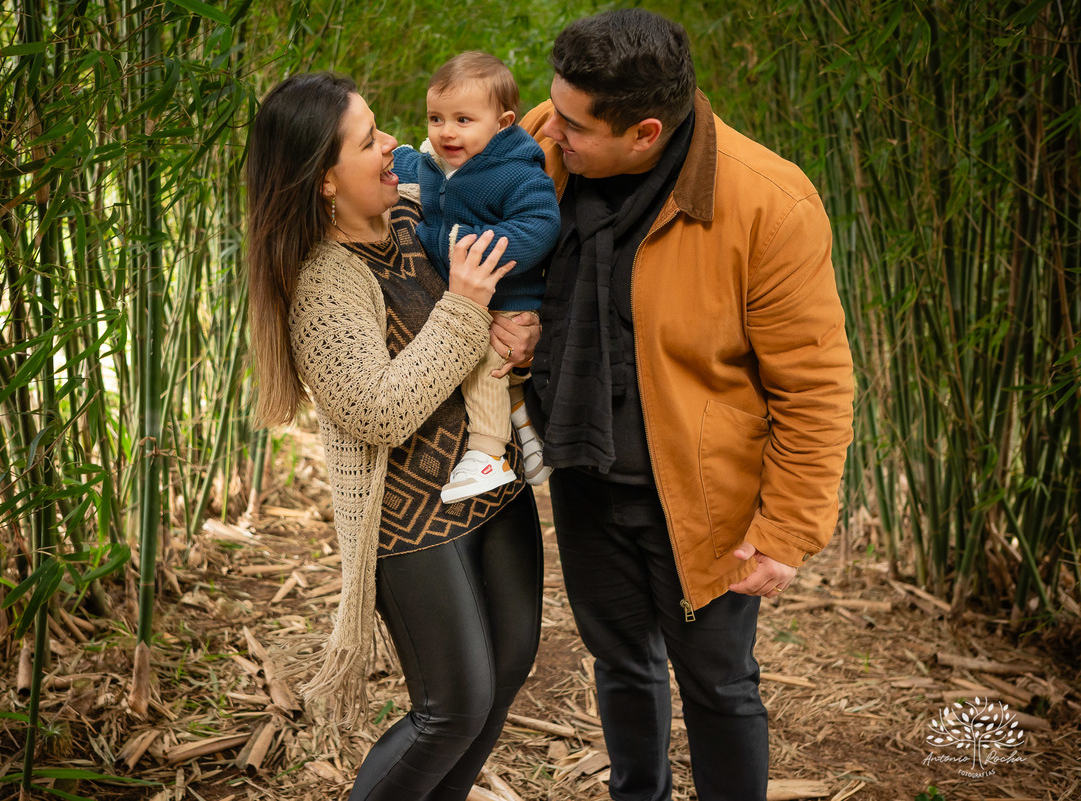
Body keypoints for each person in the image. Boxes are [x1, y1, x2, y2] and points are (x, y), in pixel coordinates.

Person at [519, 10, 855, 801]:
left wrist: (787, 529)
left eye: (573, 124)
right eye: (553, 108)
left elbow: (814, 384)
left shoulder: (768, 202)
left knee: (718, 683)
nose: (550, 130)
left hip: (701, 501)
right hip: (583, 469)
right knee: (620, 663)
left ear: (645, 133)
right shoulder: (544, 144)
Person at [245, 71, 544, 801]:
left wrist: (522, 331)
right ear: (325, 179)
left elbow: (509, 258)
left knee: (504, 673)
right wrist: (465, 306)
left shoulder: (420, 208)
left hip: (492, 488)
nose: (391, 144)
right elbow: (375, 410)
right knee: (452, 708)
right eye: (367, 140)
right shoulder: (323, 281)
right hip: (411, 526)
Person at [393, 51, 560, 503]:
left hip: (510, 298)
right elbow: (410, 166)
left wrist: (469, 246)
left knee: (484, 362)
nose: (446, 131)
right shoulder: (439, 162)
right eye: (436, 118)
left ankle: (488, 454)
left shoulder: (516, 172)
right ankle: (527, 431)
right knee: (496, 371)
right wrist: (387, 156)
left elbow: (540, 224)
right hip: (471, 299)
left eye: (463, 119)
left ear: (502, 123)